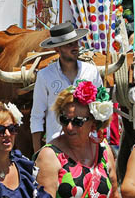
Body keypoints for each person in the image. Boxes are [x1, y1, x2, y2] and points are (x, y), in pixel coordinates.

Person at [35, 81, 124, 198]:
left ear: (94, 123)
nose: (69, 127)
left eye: (77, 122)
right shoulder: (49, 156)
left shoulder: (104, 150)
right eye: (64, 120)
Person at [30, 22, 102, 153]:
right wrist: (37, 153)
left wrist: (100, 142)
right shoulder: (45, 76)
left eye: (76, 43)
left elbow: (101, 108)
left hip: (88, 145)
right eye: (69, 44)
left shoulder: (92, 72)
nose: (75, 47)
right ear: (57, 49)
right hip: (56, 147)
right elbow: (36, 116)